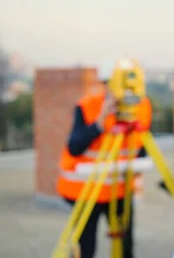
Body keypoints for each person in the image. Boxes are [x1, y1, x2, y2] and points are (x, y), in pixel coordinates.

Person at [57, 58, 152, 258]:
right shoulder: (88, 106)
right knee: (86, 246)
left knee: (125, 245)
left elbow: (140, 146)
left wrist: (139, 163)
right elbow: (75, 147)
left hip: (119, 190)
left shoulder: (142, 107)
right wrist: (100, 122)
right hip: (88, 190)